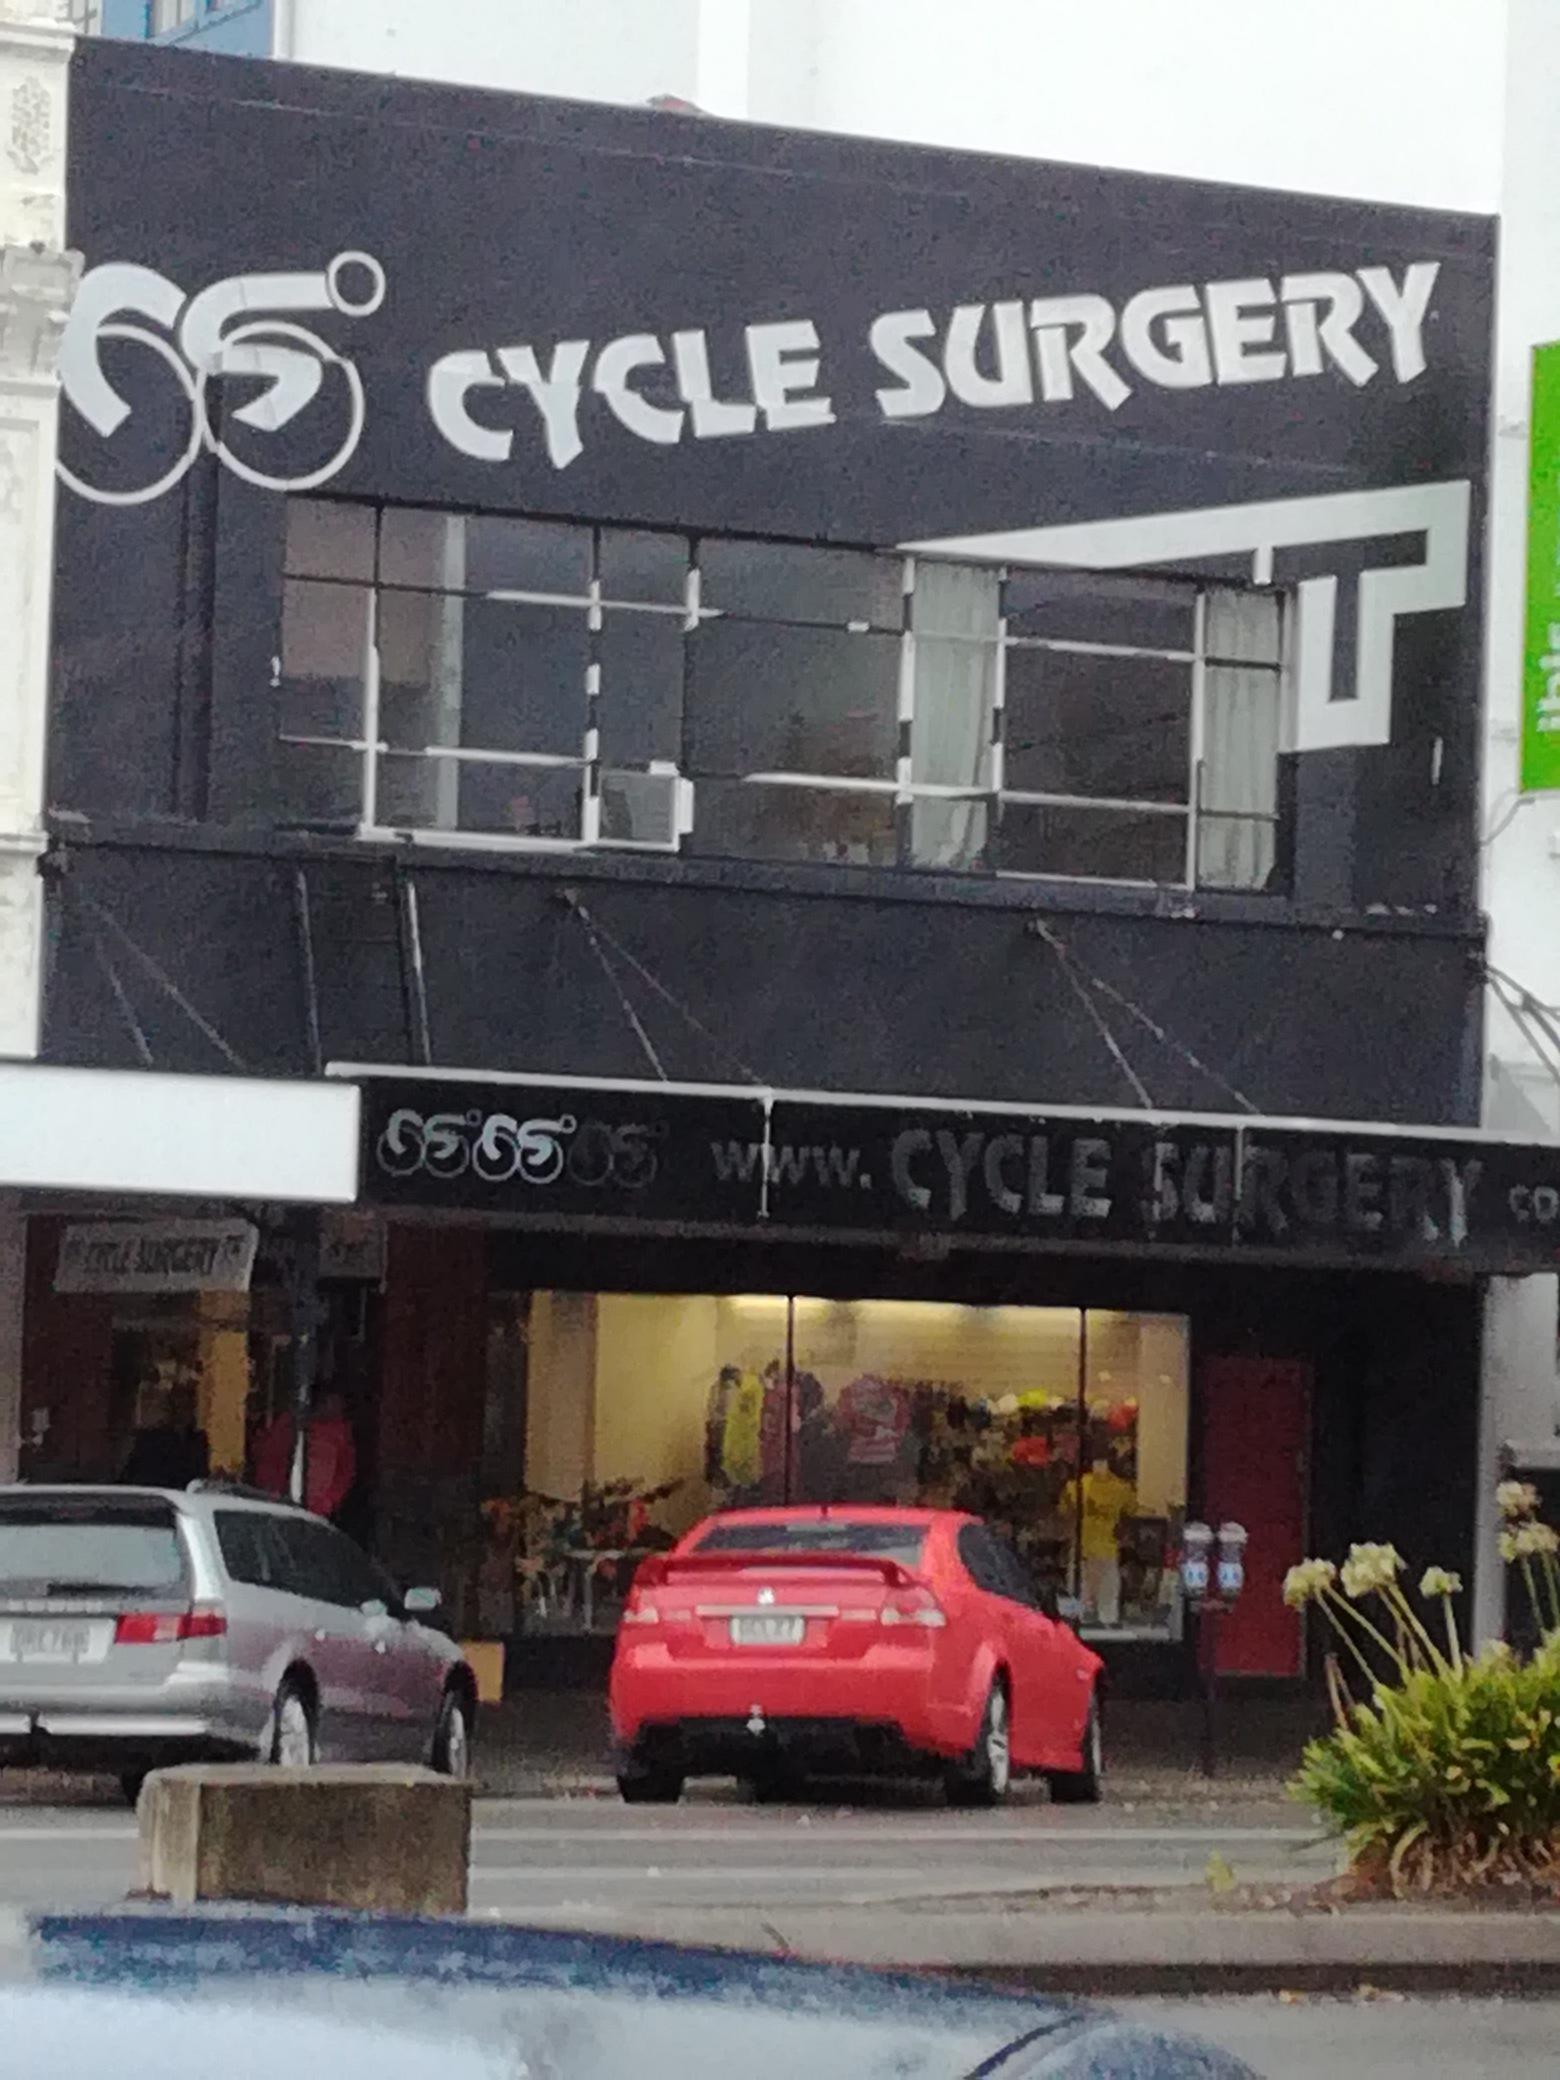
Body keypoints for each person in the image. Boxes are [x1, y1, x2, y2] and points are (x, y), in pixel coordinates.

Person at [252, 1389, 357, 1520]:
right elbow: (269, 1459)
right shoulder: (288, 1424)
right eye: (326, 1401)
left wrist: (326, 1503)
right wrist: (271, 1494)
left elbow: (344, 1475)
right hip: (279, 1504)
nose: (332, 1407)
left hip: (316, 1511)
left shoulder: (341, 1435)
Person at [121, 1381, 210, 1490]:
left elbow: (200, 1474)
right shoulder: (150, 1439)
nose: (183, 1410)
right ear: (170, 1408)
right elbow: (138, 1474)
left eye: (188, 1405)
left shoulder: (198, 1439)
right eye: (179, 1405)